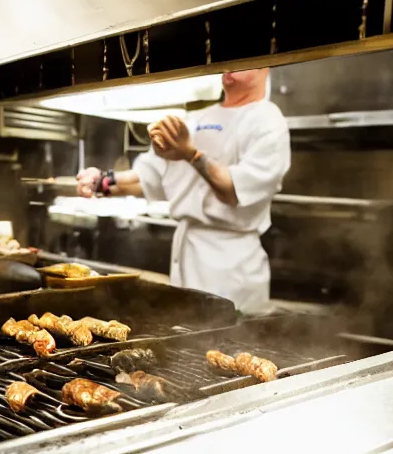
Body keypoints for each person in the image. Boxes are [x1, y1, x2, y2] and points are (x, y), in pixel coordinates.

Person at [77, 69, 291, 313]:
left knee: (230, 345)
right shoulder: (198, 119)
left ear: (265, 67)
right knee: (187, 341)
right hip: (186, 257)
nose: (231, 65)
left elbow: (232, 191)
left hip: (230, 267)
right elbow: (149, 178)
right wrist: (102, 182)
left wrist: (190, 154)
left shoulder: (267, 120)